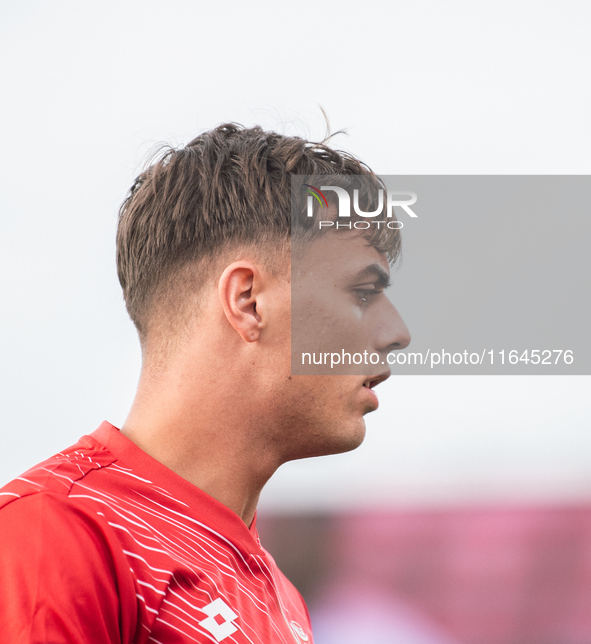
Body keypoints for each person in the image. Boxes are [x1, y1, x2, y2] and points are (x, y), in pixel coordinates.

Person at [0, 123, 410, 643]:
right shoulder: (58, 533)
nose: (397, 334)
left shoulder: (279, 595)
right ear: (247, 301)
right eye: (362, 293)